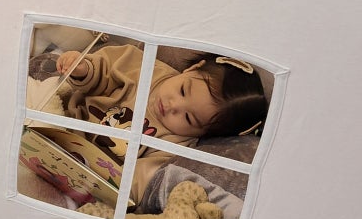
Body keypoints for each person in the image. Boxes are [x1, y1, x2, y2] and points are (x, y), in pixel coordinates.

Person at [54, 43, 267, 202]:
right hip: (66, 122)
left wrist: (111, 188)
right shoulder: (143, 68)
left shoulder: (174, 145)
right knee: (45, 94)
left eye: (188, 118)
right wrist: (83, 69)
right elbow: (105, 71)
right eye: (183, 90)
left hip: (88, 171)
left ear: (204, 133)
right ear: (193, 68)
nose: (173, 105)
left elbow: (139, 179)